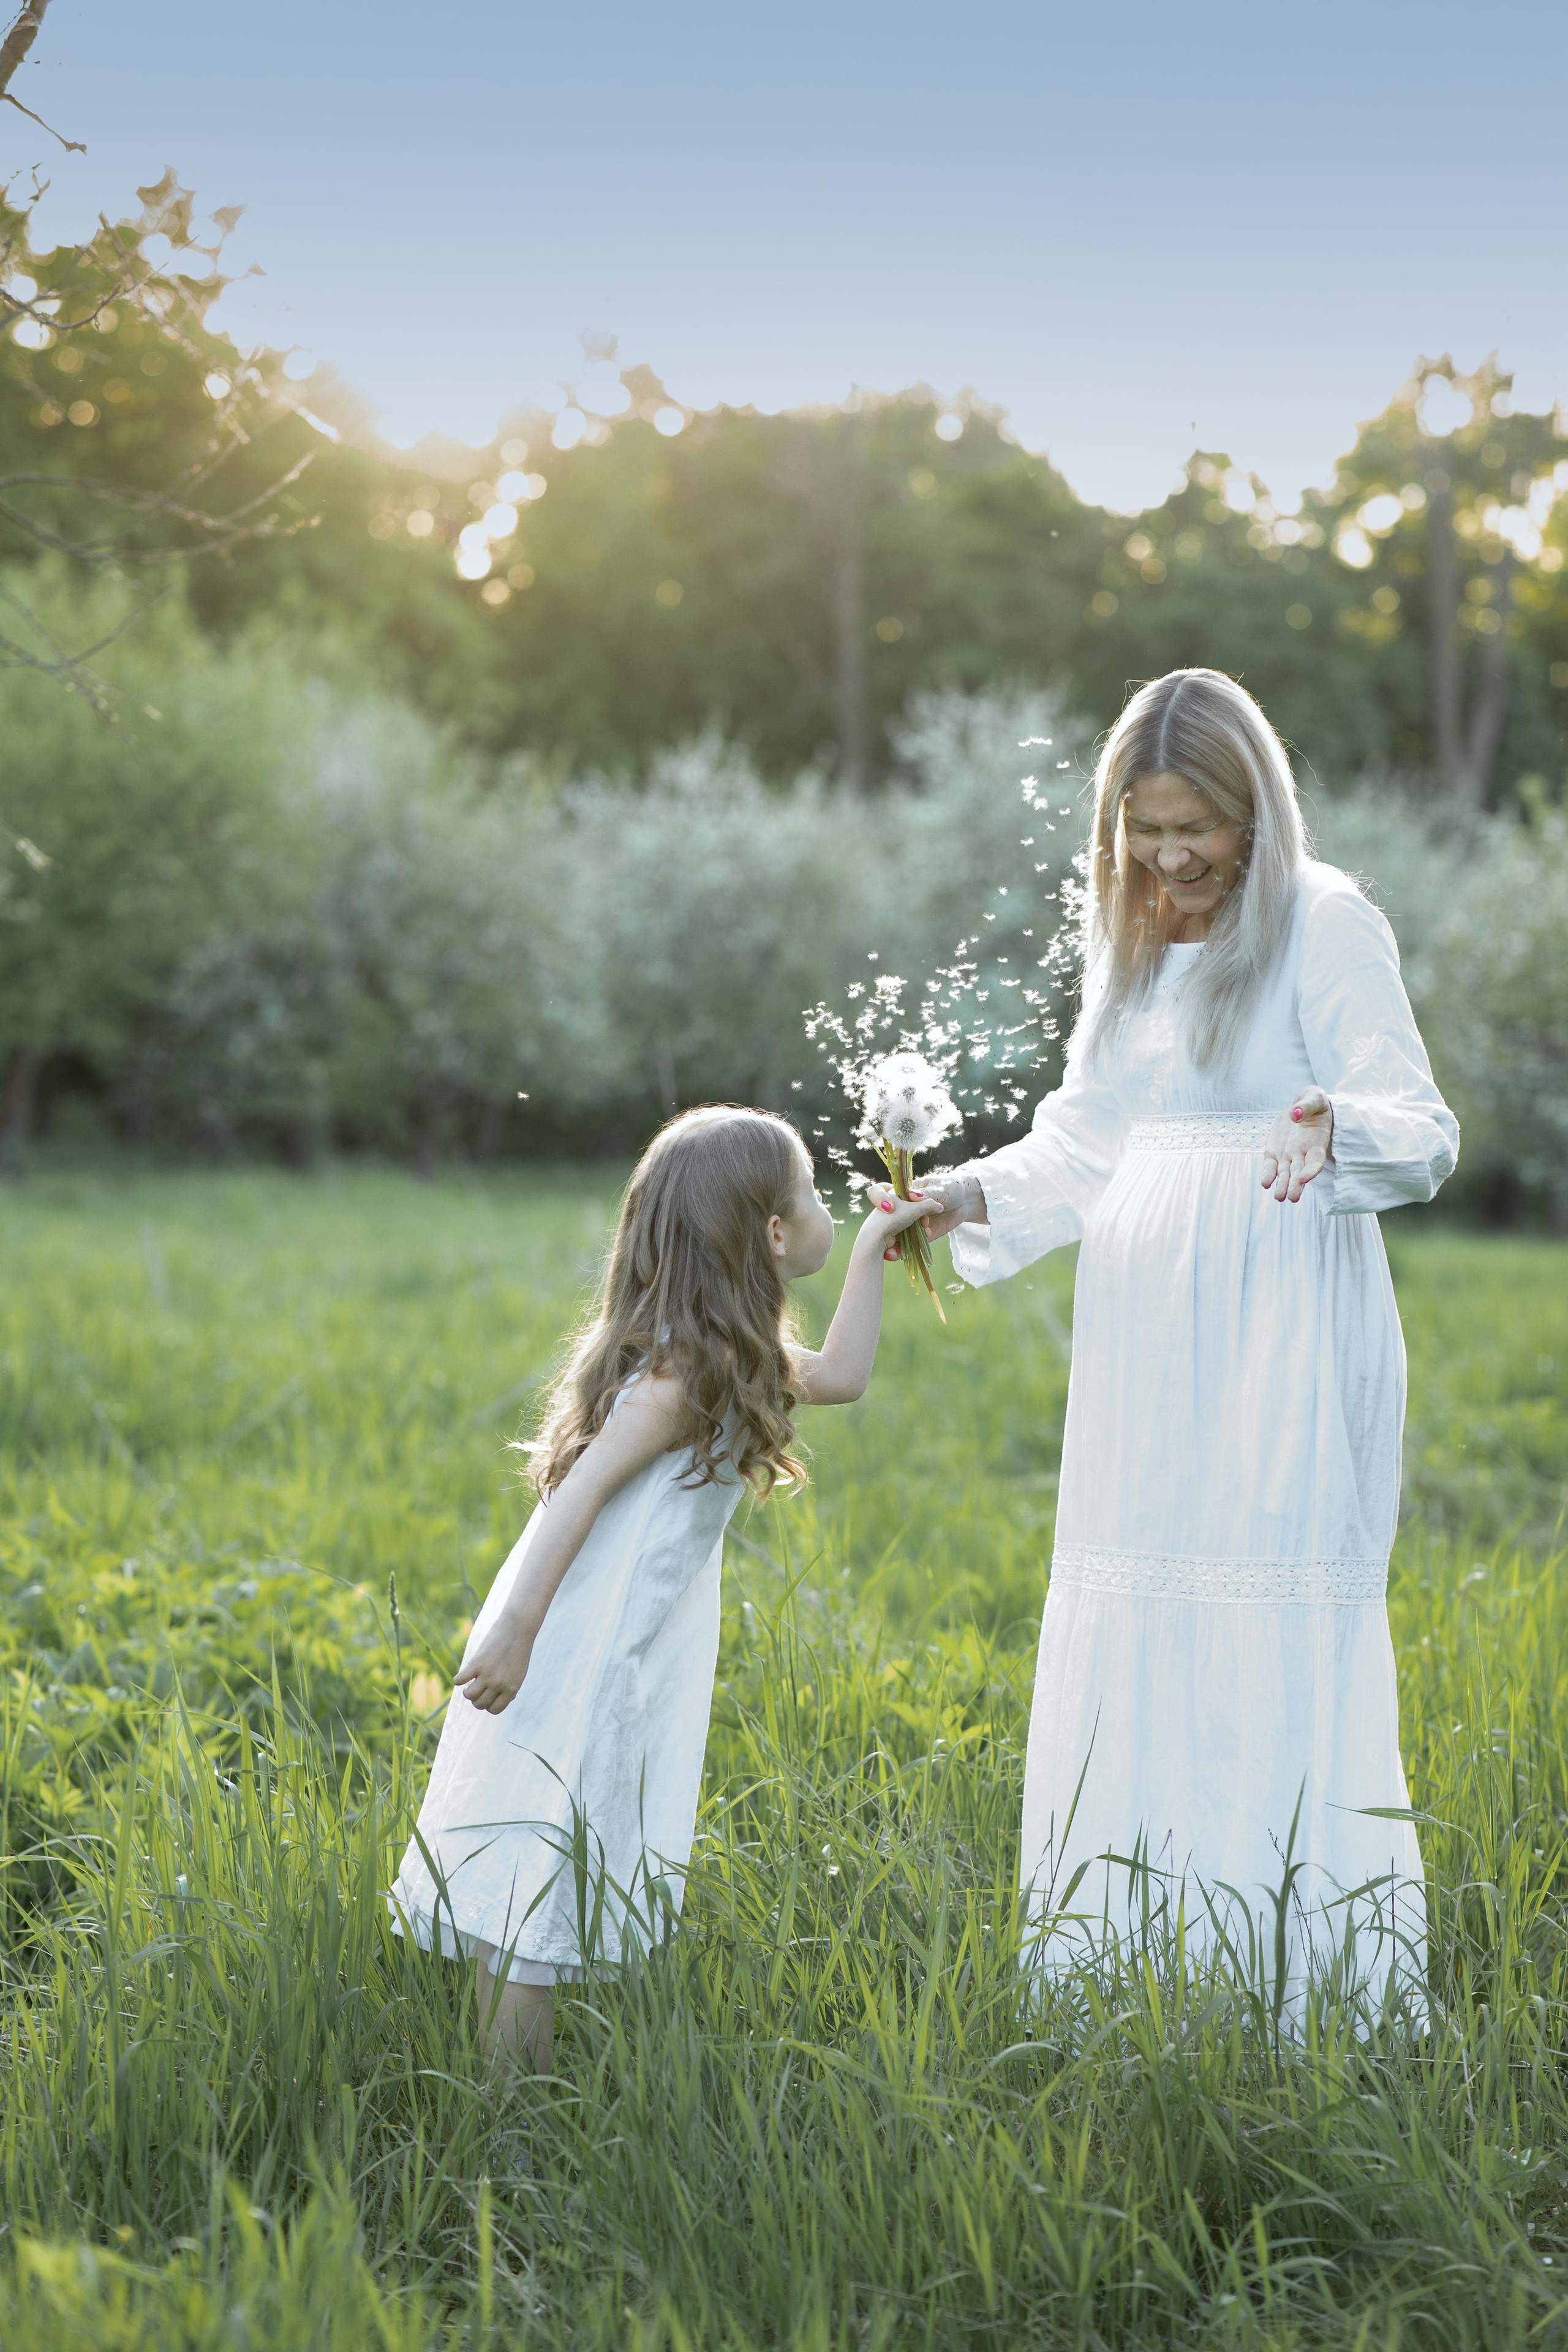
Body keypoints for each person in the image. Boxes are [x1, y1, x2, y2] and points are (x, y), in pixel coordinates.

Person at [919, 667, 1458, 2011]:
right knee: (1141, 1598)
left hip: (1281, 1307)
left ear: (1253, 813)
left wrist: (1331, 1125)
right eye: (1143, 831)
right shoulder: (1126, 931)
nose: (1170, 858)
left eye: (1195, 830)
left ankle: (1293, 1980)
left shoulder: (1324, 921)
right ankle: (1134, 1964)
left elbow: (1420, 1128)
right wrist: (971, 1191)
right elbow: (1088, 1135)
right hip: (1144, 1333)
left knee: (1264, 1601)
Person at [389, 1105, 931, 2074]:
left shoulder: (729, 1352)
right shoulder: (680, 1373)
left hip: (620, 1632)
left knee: (548, 1848)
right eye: (812, 1196)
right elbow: (582, 1492)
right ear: (771, 1235)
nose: (824, 1209)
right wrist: (515, 1630)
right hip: (579, 1635)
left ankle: (505, 2089)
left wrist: (875, 1251)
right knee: (543, 1860)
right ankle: (508, 2116)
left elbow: (843, 1376)